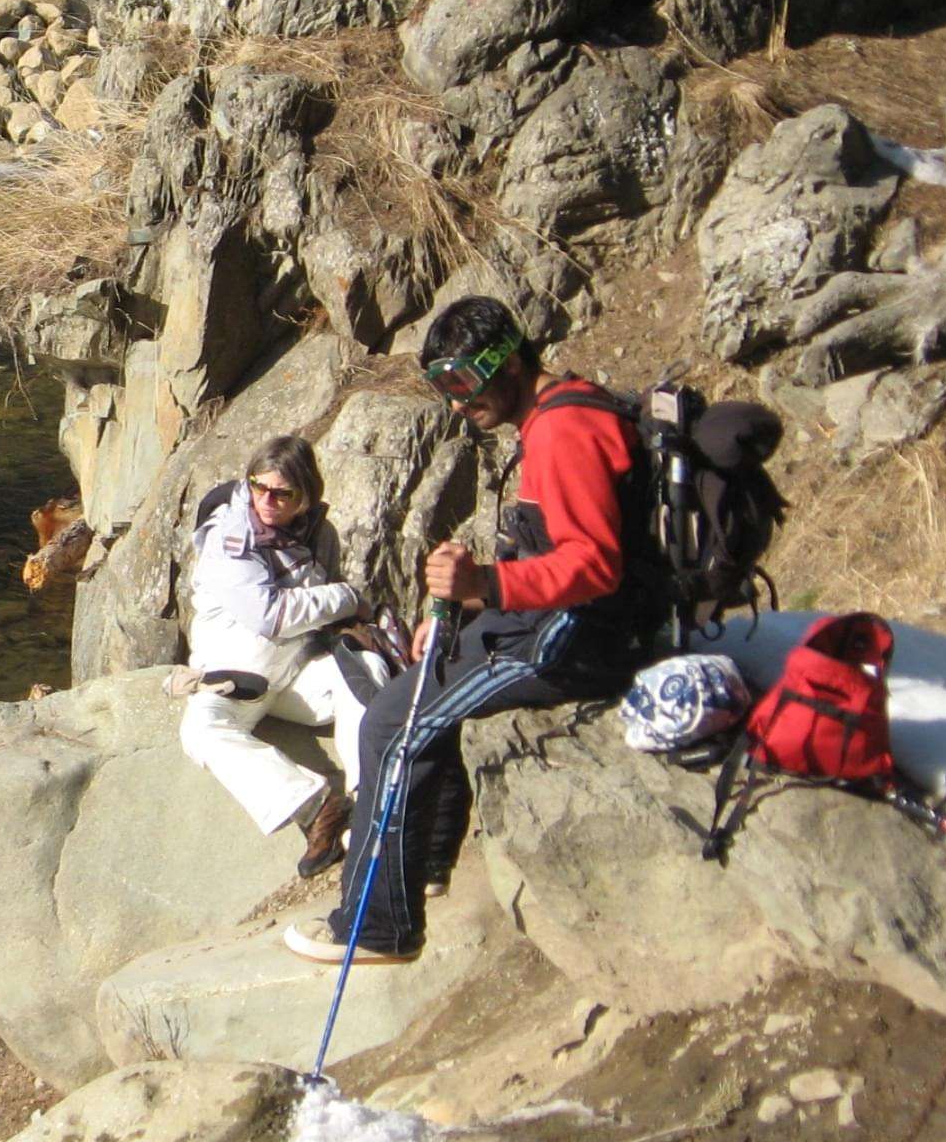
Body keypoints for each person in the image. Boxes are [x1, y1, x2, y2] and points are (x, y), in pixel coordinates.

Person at [283, 296, 671, 966]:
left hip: (576, 643)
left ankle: (377, 929)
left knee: (391, 726)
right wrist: (465, 614)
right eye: (443, 388)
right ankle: (423, 872)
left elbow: (594, 565)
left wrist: (483, 588)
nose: (459, 402)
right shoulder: (559, 413)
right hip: (554, 626)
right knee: (415, 692)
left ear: (512, 362)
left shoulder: (563, 431)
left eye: (466, 382)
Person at [176, 434, 377, 840]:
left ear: (304, 495)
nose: (266, 500)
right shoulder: (229, 538)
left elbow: (320, 615)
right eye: (258, 485)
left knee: (364, 670)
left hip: (296, 671)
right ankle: (316, 805)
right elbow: (272, 616)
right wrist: (348, 598)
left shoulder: (320, 532)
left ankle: (369, 801)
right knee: (200, 731)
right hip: (237, 677)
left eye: (281, 493)